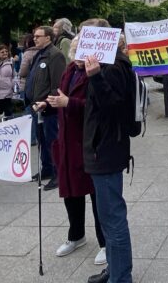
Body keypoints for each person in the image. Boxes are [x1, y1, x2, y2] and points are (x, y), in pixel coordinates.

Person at [39, 36, 106, 265]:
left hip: (87, 142)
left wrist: (70, 103)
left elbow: (100, 107)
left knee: (97, 196)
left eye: (83, 52)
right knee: (71, 192)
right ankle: (76, 235)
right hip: (67, 140)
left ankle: (105, 242)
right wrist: (48, 103)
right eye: (76, 52)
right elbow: (62, 96)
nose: (79, 57)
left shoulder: (97, 71)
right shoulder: (69, 70)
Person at [82, 18, 135, 283]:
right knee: (107, 217)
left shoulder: (113, 67)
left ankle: (121, 277)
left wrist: (96, 77)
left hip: (107, 150)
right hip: (102, 149)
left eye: (85, 35)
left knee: (113, 219)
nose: (81, 41)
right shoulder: (107, 63)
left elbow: (113, 107)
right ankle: (115, 270)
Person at [27, 26, 67, 191]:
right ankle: (47, 169)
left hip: (48, 108)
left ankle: (58, 174)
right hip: (37, 107)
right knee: (42, 140)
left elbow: (56, 83)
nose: (34, 39)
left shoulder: (55, 55)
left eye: (38, 36)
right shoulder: (39, 54)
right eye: (34, 36)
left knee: (52, 141)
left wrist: (47, 101)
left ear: (48, 38)